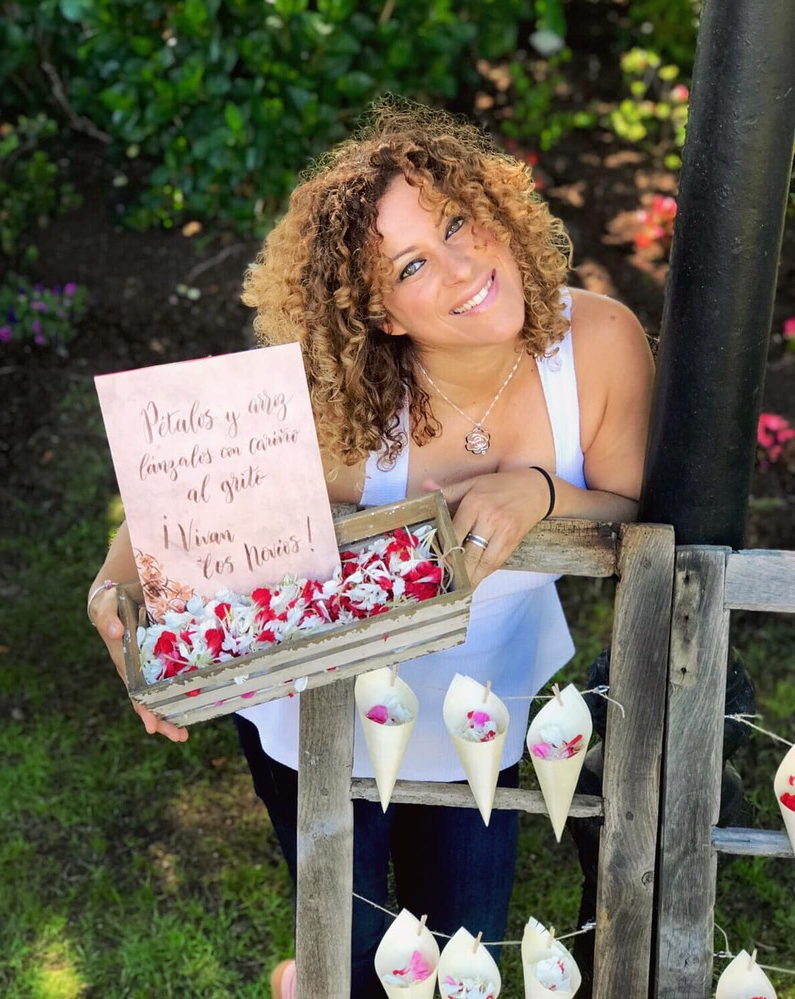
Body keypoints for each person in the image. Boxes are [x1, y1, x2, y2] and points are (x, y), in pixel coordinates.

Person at [88, 99, 654, 998]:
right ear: (379, 312)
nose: (463, 265)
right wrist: (110, 599)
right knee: (349, 955)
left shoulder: (599, 346)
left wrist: (540, 491)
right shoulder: (343, 407)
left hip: (482, 707)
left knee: (462, 949)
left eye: (457, 222)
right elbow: (180, 499)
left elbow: (635, 512)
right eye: (412, 265)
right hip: (317, 714)